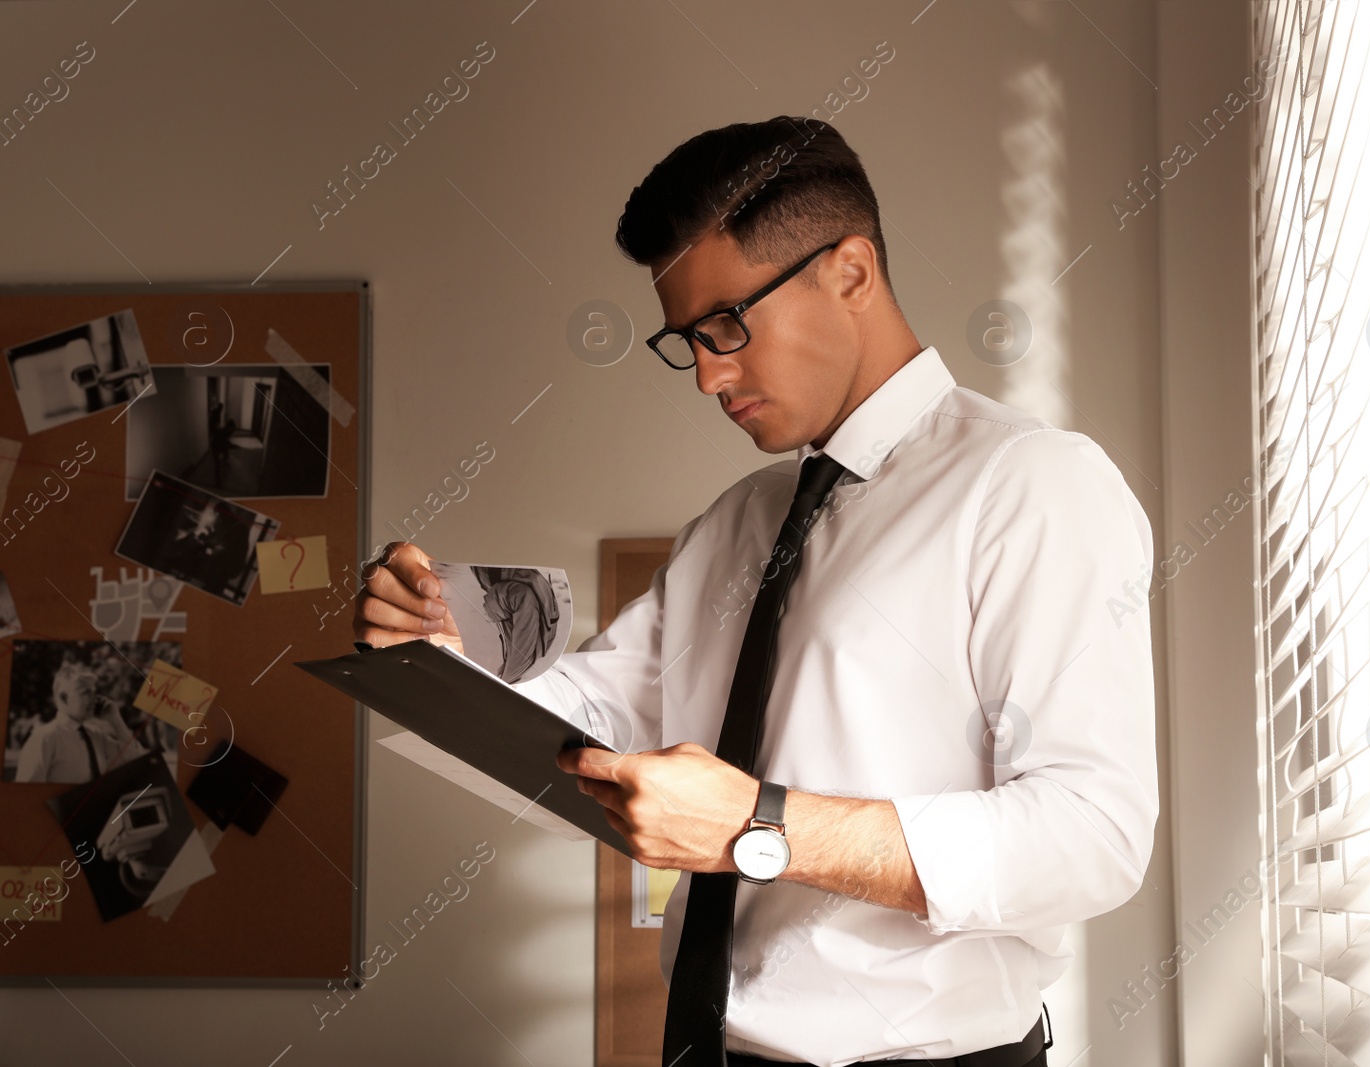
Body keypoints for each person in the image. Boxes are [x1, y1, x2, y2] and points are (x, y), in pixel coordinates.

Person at [355, 115, 1157, 1067]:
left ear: (850, 273)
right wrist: (441, 653)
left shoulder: (1032, 484)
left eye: (726, 325)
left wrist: (756, 826)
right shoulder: (738, 520)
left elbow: (1090, 833)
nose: (705, 376)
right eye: (684, 341)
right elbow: (597, 713)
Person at [15, 656, 147, 783]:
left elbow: (136, 759)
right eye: (85, 692)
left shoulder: (96, 736)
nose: (94, 699)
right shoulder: (45, 737)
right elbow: (26, 793)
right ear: (64, 698)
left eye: (93, 692)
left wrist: (115, 719)